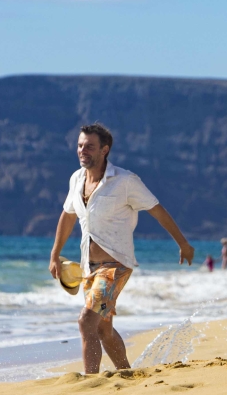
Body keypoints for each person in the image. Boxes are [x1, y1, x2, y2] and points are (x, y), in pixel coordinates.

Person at [50, 123, 195, 374]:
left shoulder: (125, 181)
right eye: (80, 145)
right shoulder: (76, 179)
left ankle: (90, 381)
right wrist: (54, 254)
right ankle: (127, 374)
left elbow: (157, 210)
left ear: (104, 150)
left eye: (90, 146)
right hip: (88, 267)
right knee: (102, 329)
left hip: (115, 266)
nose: (83, 150)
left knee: (86, 322)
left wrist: (182, 243)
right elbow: (68, 216)